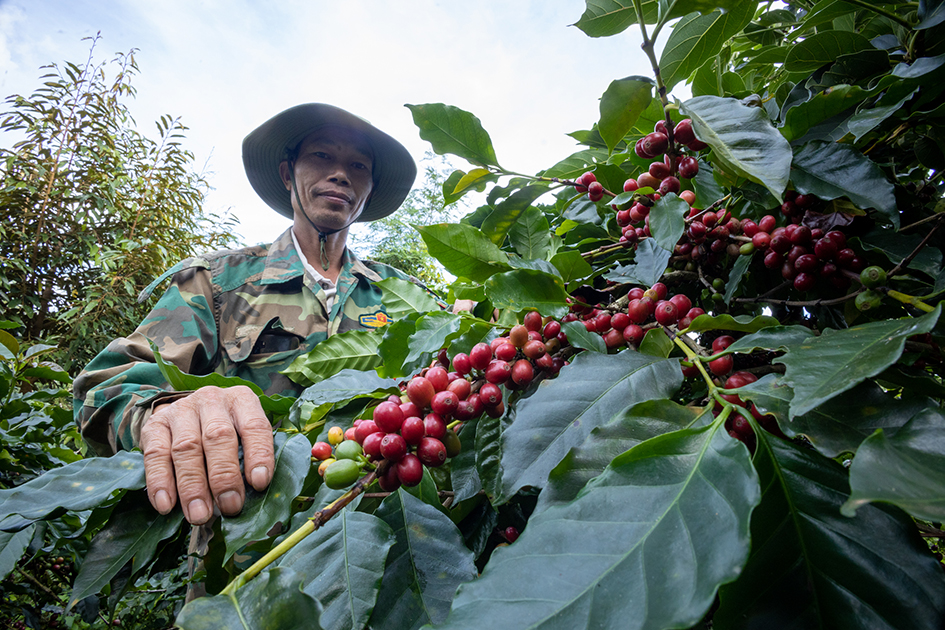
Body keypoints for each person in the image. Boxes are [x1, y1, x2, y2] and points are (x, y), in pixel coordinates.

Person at [73, 103, 422, 526]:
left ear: (368, 190)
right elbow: (104, 390)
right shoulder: (219, 282)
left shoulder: (403, 296)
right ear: (286, 173)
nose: (341, 174)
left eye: (359, 165)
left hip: (379, 528)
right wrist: (166, 413)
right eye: (322, 156)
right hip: (247, 541)